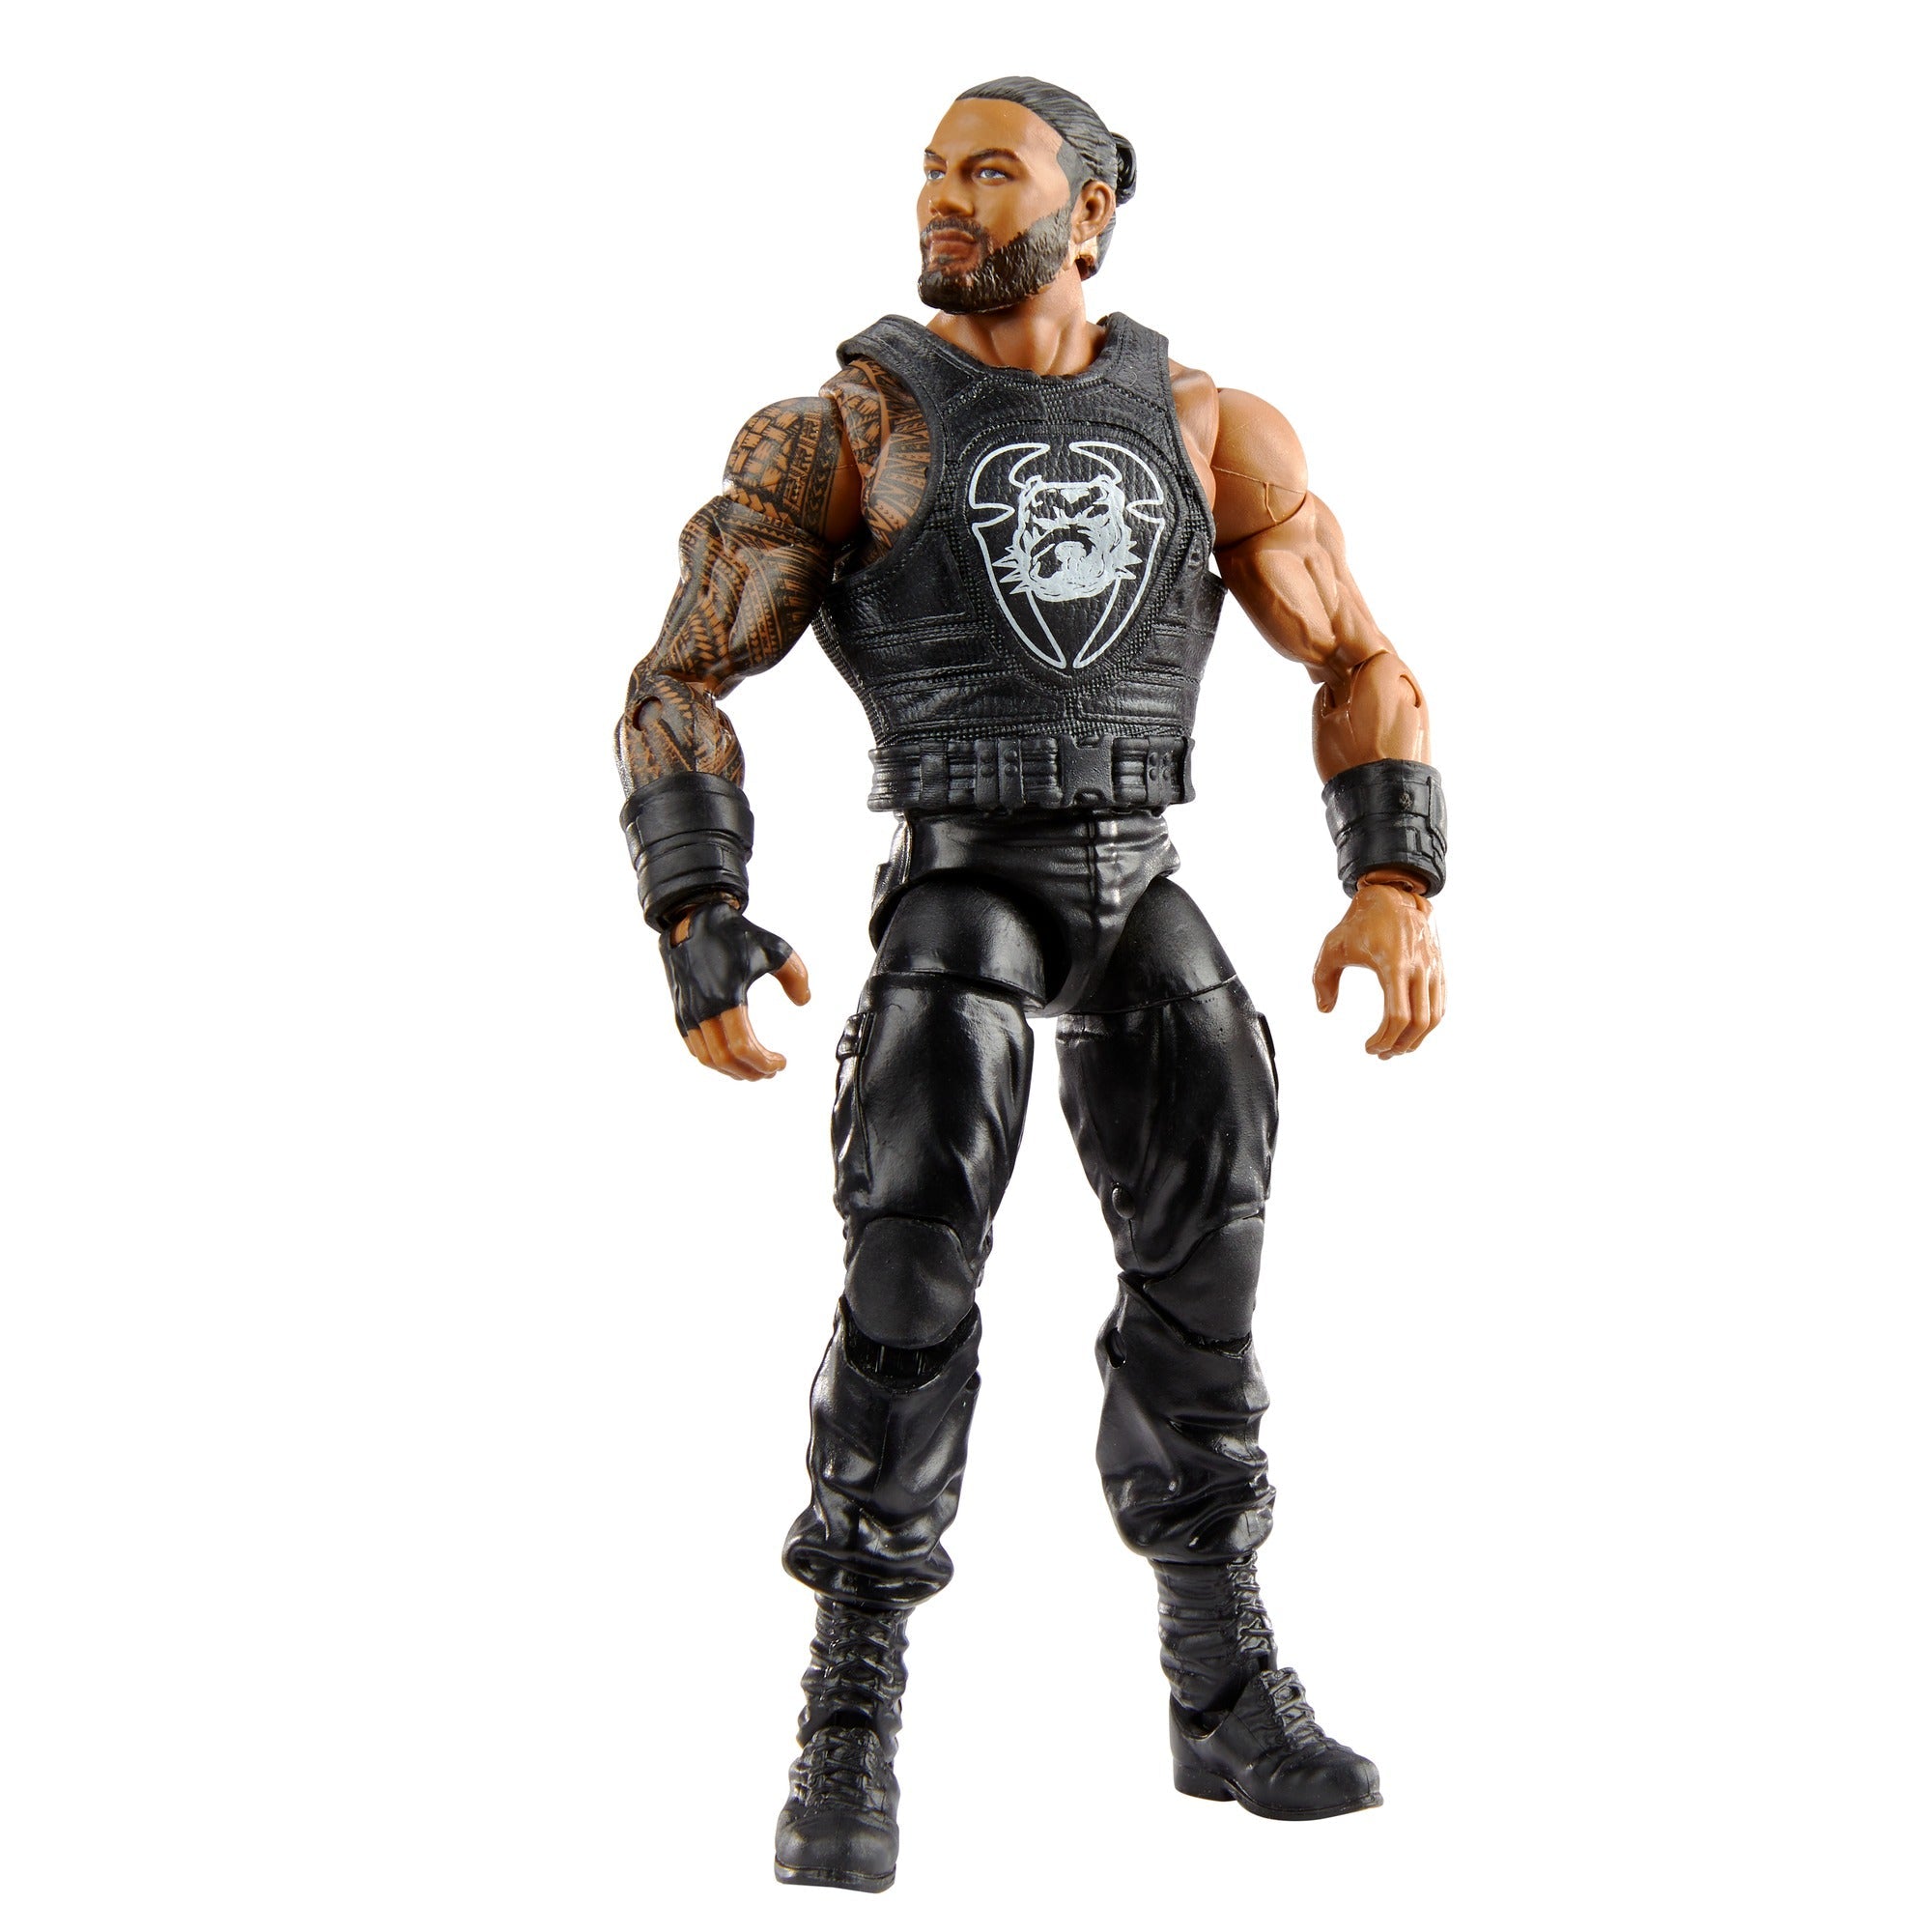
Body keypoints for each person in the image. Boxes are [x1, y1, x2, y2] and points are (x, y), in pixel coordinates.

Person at [615, 75, 1448, 1892]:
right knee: (909, 1267)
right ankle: (850, 1705)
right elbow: (679, 678)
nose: (941, 197)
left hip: (1140, 878)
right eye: (930, 170)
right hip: (963, 885)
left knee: (1211, 1269)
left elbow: (1358, 656)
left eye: (986, 172)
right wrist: (699, 906)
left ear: (1088, 214)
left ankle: (1221, 1683)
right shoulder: (846, 432)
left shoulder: (1213, 426)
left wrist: (1392, 880)